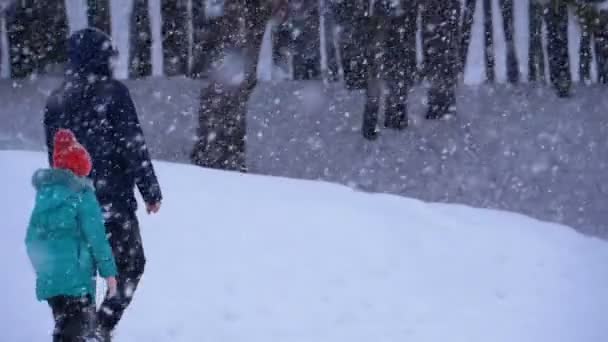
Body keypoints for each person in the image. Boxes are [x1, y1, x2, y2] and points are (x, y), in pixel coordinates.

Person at [43, 27, 163, 341]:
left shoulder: (56, 100)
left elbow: (54, 156)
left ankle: (77, 331)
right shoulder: (113, 93)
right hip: (112, 205)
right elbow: (132, 145)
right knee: (130, 265)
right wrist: (150, 190)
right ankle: (99, 327)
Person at [26, 129, 118, 341]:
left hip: (51, 282)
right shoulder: (83, 195)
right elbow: (97, 239)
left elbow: (31, 240)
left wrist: (46, 267)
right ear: (81, 169)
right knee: (73, 332)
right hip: (76, 280)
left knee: (64, 327)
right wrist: (109, 273)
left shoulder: (44, 197)